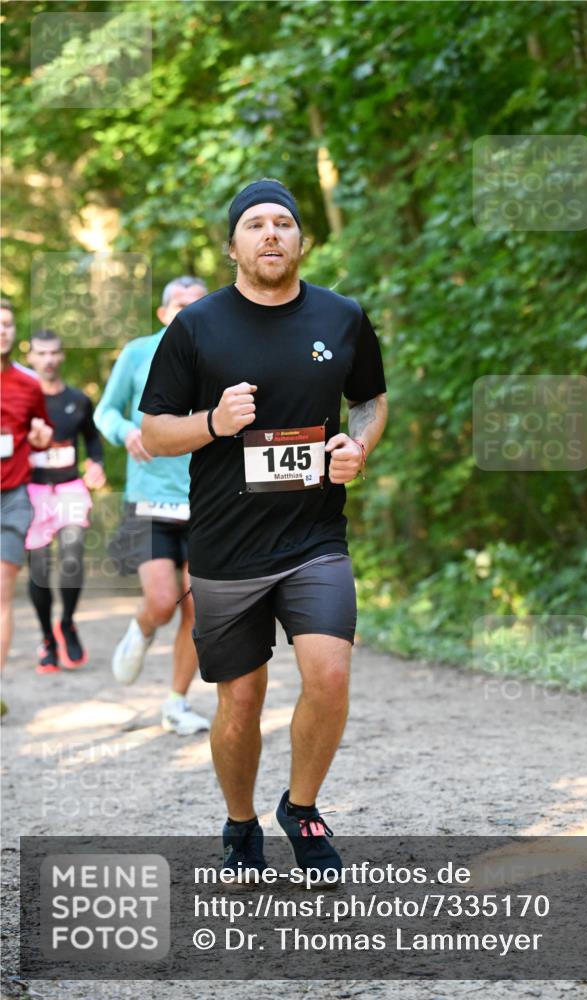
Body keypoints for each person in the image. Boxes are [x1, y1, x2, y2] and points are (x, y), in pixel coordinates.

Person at [140, 179, 388, 877]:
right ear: (232, 246)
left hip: (314, 540)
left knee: (330, 674)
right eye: (255, 224)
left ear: (301, 241)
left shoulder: (341, 316)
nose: (271, 233)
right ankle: (240, 821)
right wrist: (213, 423)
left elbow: (368, 399)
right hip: (226, 547)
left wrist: (358, 447)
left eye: (283, 222)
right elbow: (155, 432)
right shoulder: (196, 327)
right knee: (239, 700)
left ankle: (301, 809)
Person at [94, 276, 210, 737]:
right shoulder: (139, 353)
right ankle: (142, 629)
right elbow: (106, 410)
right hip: (151, 500)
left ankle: (176, 703)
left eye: (199, 305)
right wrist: (127, 433)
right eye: (180, 305)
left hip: (206, 502)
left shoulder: (221, 355)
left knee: (198, 610)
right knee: (162, 603)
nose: (189, 312)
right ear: (164, 313)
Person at [25, 329, 106, 673]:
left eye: (53, 352)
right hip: (32, 491)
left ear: (62, 356)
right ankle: (47, 638)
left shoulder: (77, 399)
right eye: (41, 353)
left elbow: (92, 437)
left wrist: (97, 463)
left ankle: (68, 622)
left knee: (72, 555)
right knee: (40, 570)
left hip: (71, 487)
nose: (48, 359)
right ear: (30, 357)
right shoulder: (20, 398)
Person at [1, 299, 54, 692]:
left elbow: (42, 432)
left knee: (1, 594)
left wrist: (41, 438)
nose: (2, 330)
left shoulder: (28, 383)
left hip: (13, 497)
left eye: (7, 324)